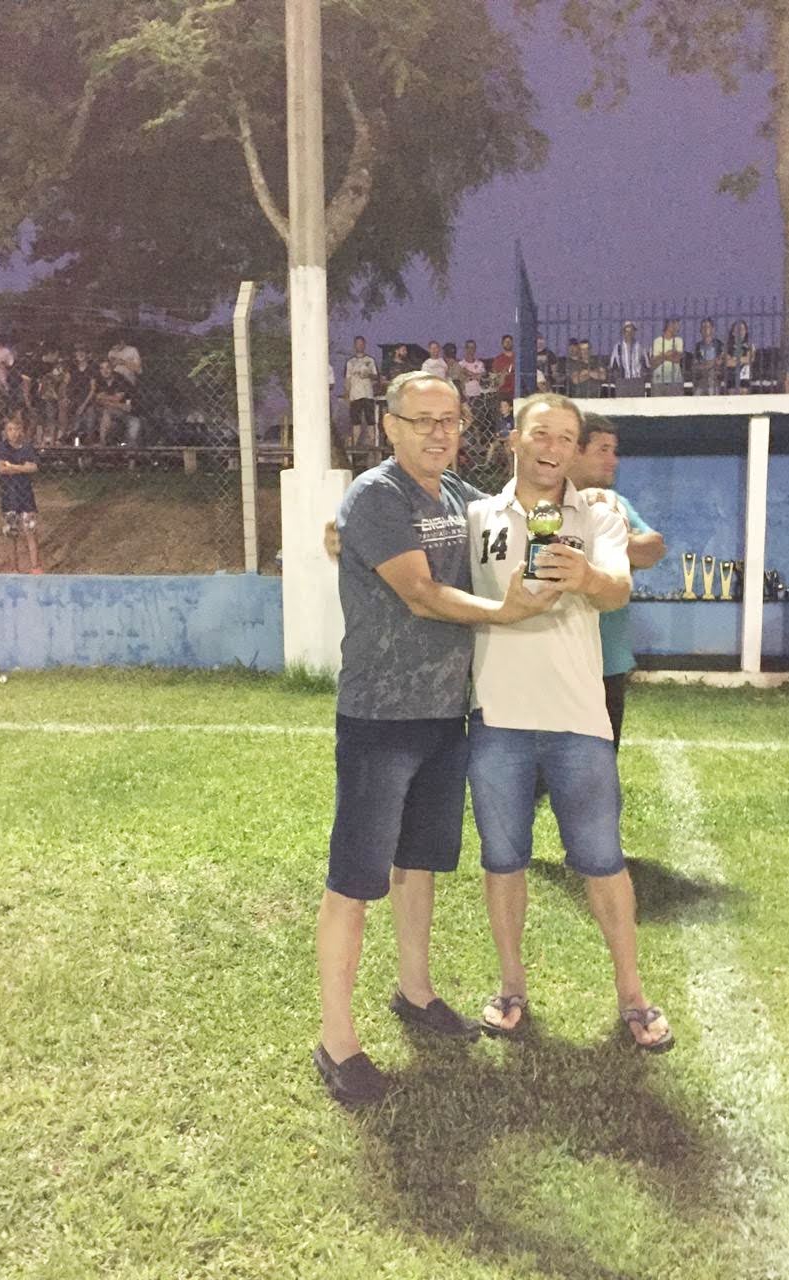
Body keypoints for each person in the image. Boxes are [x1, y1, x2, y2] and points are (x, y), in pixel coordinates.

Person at [315, 371, 558, 1107]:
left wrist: (586, 500)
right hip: (380, 719)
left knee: (417, 863)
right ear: (389, 426)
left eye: (449, 419)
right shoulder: (376, 497)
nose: (438, 432)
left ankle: (415, 992)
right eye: (421, 420)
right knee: (354, 881)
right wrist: (503, 613)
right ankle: (336, 1041)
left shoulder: (455, 496)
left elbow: (516, 514)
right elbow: (420, 593)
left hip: (444, 716)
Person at [465, 392, 674, 1051]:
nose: (552, 447)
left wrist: (584, 577)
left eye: (565, 437)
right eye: (541, 433)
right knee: (503, 859)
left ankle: (632, 994)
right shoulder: (480, 516)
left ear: (574, 449)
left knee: (602, 859)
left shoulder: (600, 514)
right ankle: (511, 986)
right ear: (515, 440)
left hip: (579, 719)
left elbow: (619, 588)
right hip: (498, 719)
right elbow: (450, 580)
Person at [569, 414, 667, 747]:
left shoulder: (616, 505)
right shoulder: (544, 503)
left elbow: (653, 549)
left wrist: (606, 536)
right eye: (603, 449)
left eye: (614, 450)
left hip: (607, 661)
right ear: (575, 450)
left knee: (602, 764)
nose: (613, 460)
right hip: (555, 660)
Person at [0, 410, 42, 574]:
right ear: (5, 432)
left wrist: (13, 466)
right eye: (10, 430)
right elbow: (2, 469)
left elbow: (34, 467)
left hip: (25, 495)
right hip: (9, 495)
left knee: (30, 530)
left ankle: (35, 566)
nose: (13, 433)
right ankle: (14, 568)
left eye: (16, 429)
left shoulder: (27, 447)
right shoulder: (2, 447)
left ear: (21, 430)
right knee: (12, 533)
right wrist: (23, 467)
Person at [343, 336, 379, 447]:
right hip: (355, 395)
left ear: (365, 345)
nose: (360, 346)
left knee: (370, 421)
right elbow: (347, 379)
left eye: (361, 343)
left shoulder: (370, 360)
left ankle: (373, 445)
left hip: (368, 395)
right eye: (358, 344)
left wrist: (369, 375)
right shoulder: (350, 362)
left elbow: (376, 376)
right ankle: (354, 445)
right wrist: (347, 394)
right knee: (355, 422)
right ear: (354, 345)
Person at [608, 321, 648, 395]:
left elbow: (646, 364)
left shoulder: (640, 346)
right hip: (622, 381)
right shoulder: (617, 347)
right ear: (623, 333)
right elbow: (612, 365)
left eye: (632, 331)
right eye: (627, 331)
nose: (629, 334)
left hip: (637, 381)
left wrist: (643, 375)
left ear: (634, 332)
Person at [649, 318, 684, 395]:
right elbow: (654, 362)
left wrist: (662, 355)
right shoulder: (657, 341)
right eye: (676, 325)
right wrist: (669, 353)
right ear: (669, 325)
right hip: (658, 381)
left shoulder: (678, 340)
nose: (678, 328)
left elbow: (677, 359)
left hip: (675, 381)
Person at [692, 318, 723, 396]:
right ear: (700, 330)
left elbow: (719, 362)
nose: (705, 329)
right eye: (703, 327)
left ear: (713, 329)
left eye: (708, 326)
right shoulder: (697, 346)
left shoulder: (719, 345)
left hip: (714, 378)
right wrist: (712, 363)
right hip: (701, 379)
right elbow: (695, 366)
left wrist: (705, 364)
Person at [723, 319, 755, 393]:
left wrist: (735, 358)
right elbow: (728, 363)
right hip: (731, 377)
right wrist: (742, 360)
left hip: (744, 377)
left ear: (746, 331)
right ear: (733, 332)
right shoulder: (728, 347)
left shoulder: (750, 346)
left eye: (743, 329)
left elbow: (750, 359)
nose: (740, 332)